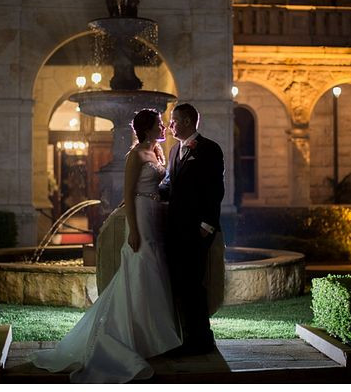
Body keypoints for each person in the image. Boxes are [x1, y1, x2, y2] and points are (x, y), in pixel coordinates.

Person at [33, 108, 180, 381]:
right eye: (159, 124)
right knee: (140, 267)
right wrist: (133, 229)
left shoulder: (158, 153)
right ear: (148, 128)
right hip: (141, 216)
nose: (164, 127)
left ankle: (151, 336)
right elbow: (128, 193)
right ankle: (127, 335)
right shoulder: (135, 155)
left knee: (155, 269)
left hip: (156, 213)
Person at [162, 103, 225, 356]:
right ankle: (189, 336)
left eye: (174, 120)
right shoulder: (174, 150)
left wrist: (207, 225)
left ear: (188, 121)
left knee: (194, 283)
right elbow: (170, 187)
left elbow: (215, 189)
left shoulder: (209, 149)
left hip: (197, 229)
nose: (170, 125)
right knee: (181, 282)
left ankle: (201, 339)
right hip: (176, 229)